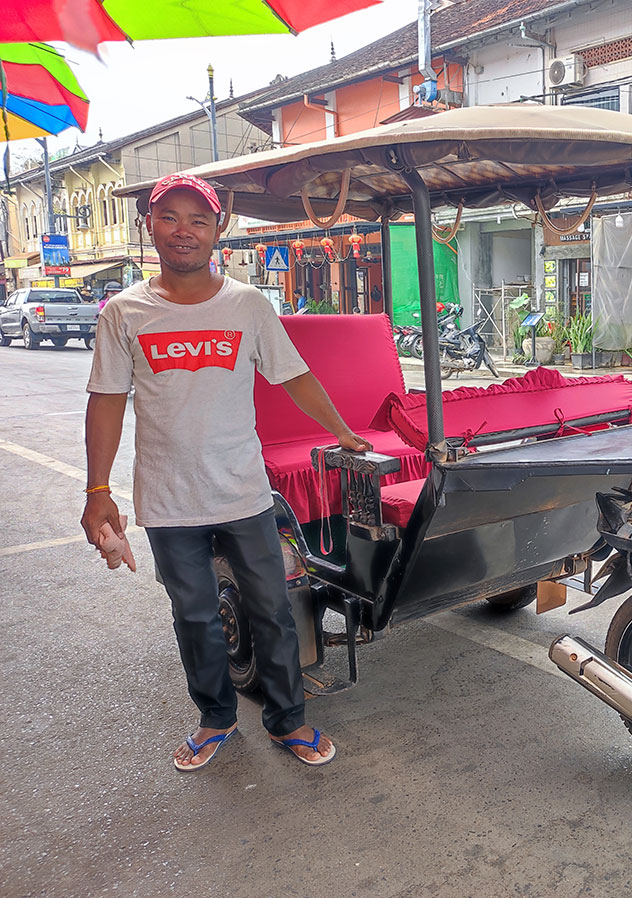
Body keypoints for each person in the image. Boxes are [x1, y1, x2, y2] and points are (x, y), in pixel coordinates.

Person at [81, 172, 372, 772]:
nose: (183, 231)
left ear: (220, 229)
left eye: (197, 219)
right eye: (169, 217)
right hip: (168, 499)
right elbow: (106, 399)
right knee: (194, 615)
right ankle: (215, 717)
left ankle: (287, 719)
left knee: (272, 610)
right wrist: (97, 490)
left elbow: (293, 375)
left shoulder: (247, 305)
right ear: (149, 226)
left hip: (243, 493)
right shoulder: (125, 312)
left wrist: (342, 430)